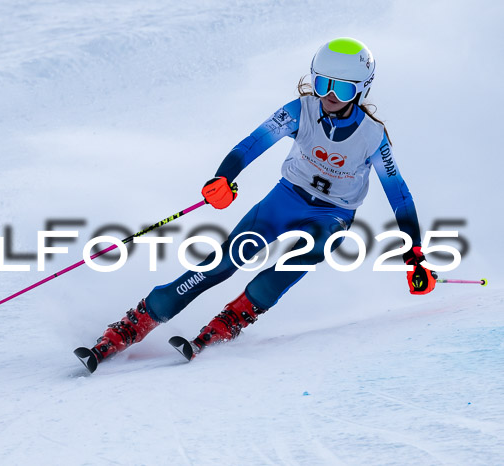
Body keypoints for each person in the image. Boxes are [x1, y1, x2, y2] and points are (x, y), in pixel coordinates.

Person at [78, 37, 437, 368]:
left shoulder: (373, 136)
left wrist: (414, 253)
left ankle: (230, 321)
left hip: (333, 215)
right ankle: (133, 324)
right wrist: (223, 177)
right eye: (322, 83)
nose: (328, 94)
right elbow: (252, 144)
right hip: (285, 199)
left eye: (341, 88)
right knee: (221, 263)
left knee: (300, 256)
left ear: (361, 90)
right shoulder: (300, 110)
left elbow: (399, 195)